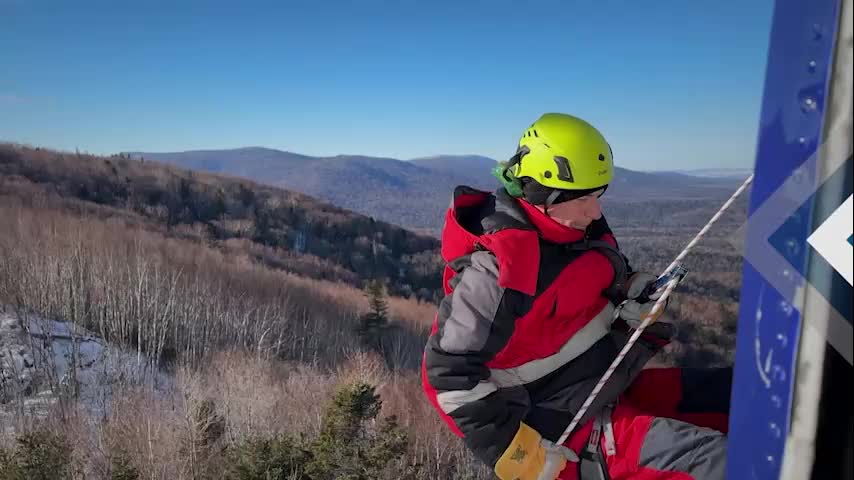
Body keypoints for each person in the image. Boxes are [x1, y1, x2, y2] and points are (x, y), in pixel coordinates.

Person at [421, 113, 732, 480]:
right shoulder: (498, 272)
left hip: (607, 385)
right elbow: (447, 375)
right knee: (729, 463)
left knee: (743, 395)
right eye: (583, 198)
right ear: (542, 194)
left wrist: (628, 301)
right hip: (568, 432)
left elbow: (568, 308)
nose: (595, 210)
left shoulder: (579, 232)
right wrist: (519, 455)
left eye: (598, 194)